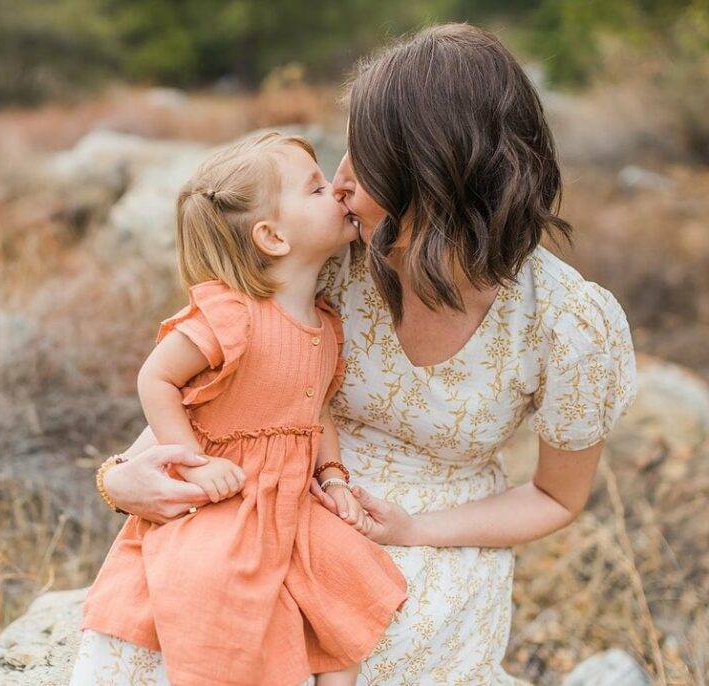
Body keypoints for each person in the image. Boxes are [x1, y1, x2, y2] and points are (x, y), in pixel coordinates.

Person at [79, 23, 639, 685]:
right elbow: (234, 388)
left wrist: (415, 531)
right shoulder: (332, 260)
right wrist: (120, 479)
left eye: (363, 162)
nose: (340, 182)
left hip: (433, 535)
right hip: (272, 501)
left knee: (372, 658)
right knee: (160, 649)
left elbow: (556, 497)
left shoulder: (572, 322)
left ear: (432, 180)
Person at [72, 131, 408, 686]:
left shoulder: (326, 324)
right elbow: (156, 377)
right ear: (273, 236)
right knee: (211, 586)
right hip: (227, 496)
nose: (338, 192)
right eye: (317, 187)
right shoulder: (232, 315)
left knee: (348, 577)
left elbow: (316, 410)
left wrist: (334, 477)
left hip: (292, 500)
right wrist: (191, 458)